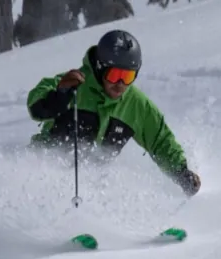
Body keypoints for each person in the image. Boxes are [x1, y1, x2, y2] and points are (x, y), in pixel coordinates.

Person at [26, 29, 201, 197]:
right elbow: (35, 106)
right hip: (43, 176)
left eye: (128, 77)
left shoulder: (136, 104)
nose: (120, 84)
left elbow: (160, 140)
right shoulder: (75, 84)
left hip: (91, 186)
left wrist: (181, 173)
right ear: (101, 68)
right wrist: (59, 95)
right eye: (115, 75)